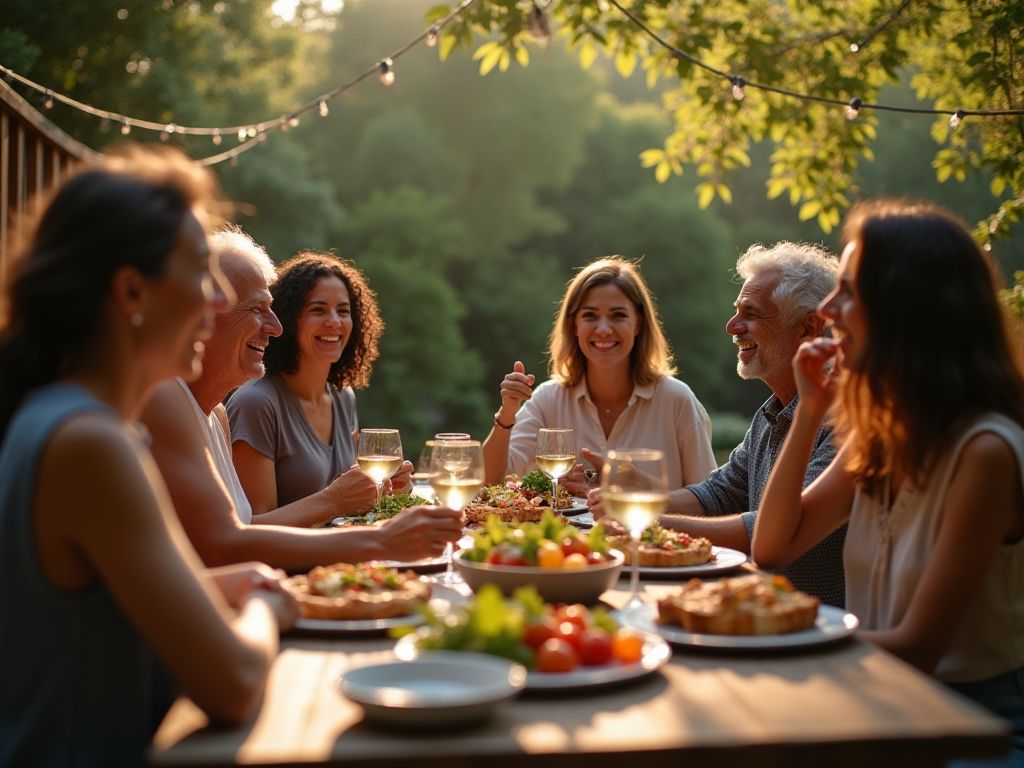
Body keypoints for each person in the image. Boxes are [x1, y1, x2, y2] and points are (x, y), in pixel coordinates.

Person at [0, 148, 297, 766]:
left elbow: (83, 617)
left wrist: (215, 587)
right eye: (199, 272)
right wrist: (267, 604)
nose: (218, 299)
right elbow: (234, 683)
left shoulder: (60, 420)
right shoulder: (90, 444)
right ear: (131, 290)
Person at [752, 200, 1024, 761]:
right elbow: (773, 546)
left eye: (848, 292)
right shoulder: (877, 438)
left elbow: (918, 649)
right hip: (878, 702)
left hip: (972, 723)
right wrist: (810, 412)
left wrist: (767, 633)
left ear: (907, 307)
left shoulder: (986, 452)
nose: (827, 309)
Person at [141, 230, 462, 568]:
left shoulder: (216, 413)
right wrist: (378, 538)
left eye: (344, 311)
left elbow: (236, 538)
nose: (275, 326)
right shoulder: (169, 396)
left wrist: (372, 497)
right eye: (257, 308)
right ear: (202, 310)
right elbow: (225, 547)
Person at [592, 242, 846, 607]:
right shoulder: (771, 415)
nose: (732, 326)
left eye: (751, 314)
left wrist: (646, 519)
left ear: (808, 328)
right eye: (736, 310)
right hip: (763, 615)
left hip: (814, 623)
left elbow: (773, 529)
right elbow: (717, 494)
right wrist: (638, 498)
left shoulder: (842, 419)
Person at [483, 255, 717, 493]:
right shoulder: (548, 400)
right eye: (590, 315)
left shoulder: (677, 400)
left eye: (618, 315)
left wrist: (635, 487)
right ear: (574, 325)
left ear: (638, 323)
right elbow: (489, 482)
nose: (603, 329)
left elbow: (710, 501)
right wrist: (507, 412)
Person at [226, 251, 412, 516]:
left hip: (343, 545)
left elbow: (349, 503)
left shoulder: (343, 396)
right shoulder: (255, 403)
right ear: (289, 319)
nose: (334, 321)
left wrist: (382, 488)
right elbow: (251, 526)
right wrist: (333, 500)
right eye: (318, 310)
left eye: (343, 311)